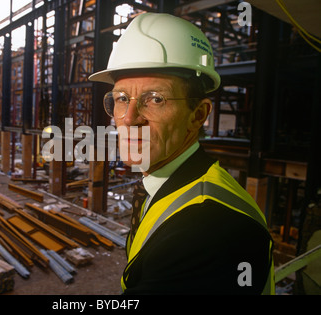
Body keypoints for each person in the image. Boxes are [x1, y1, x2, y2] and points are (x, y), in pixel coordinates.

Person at [89, 13, 274, 294]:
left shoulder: (205, 230)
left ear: (197, 115)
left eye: (155, 99)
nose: (128, 119)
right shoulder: (172, 186)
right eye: (121, 99)